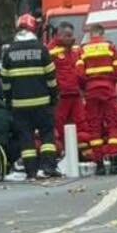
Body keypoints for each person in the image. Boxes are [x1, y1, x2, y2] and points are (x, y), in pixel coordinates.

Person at [1, 14, 60, 179]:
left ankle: (30, 171)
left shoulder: (9, 52)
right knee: (47, 135)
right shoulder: (41, 49)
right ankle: (48, 167)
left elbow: (5, 82)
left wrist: (8, 100)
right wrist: (54, 96)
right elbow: (51, 77)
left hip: (19, 105)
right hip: (42, 102)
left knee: (26, 138)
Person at [76, 22, 117, 173]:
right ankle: (115, 162)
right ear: (103, 33)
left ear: (90, 34)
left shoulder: (83, 50)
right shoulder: (110, 47)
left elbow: (79, 73)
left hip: (91, 91)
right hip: (108, 90)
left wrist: (86, 87)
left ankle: (100, 165)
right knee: (113, 124)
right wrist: (110, 83)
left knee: (94, 127)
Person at [48, 21, 85, 158]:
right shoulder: (50, 50)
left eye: (72, 35)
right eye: (68, 35)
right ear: (59, 35)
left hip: (75, 94)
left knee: (81, 124)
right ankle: (62, 154)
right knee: (59, 126)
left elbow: (81, 69)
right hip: (61, 95)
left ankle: (80, 154)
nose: (72, 38)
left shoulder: (75, 50)